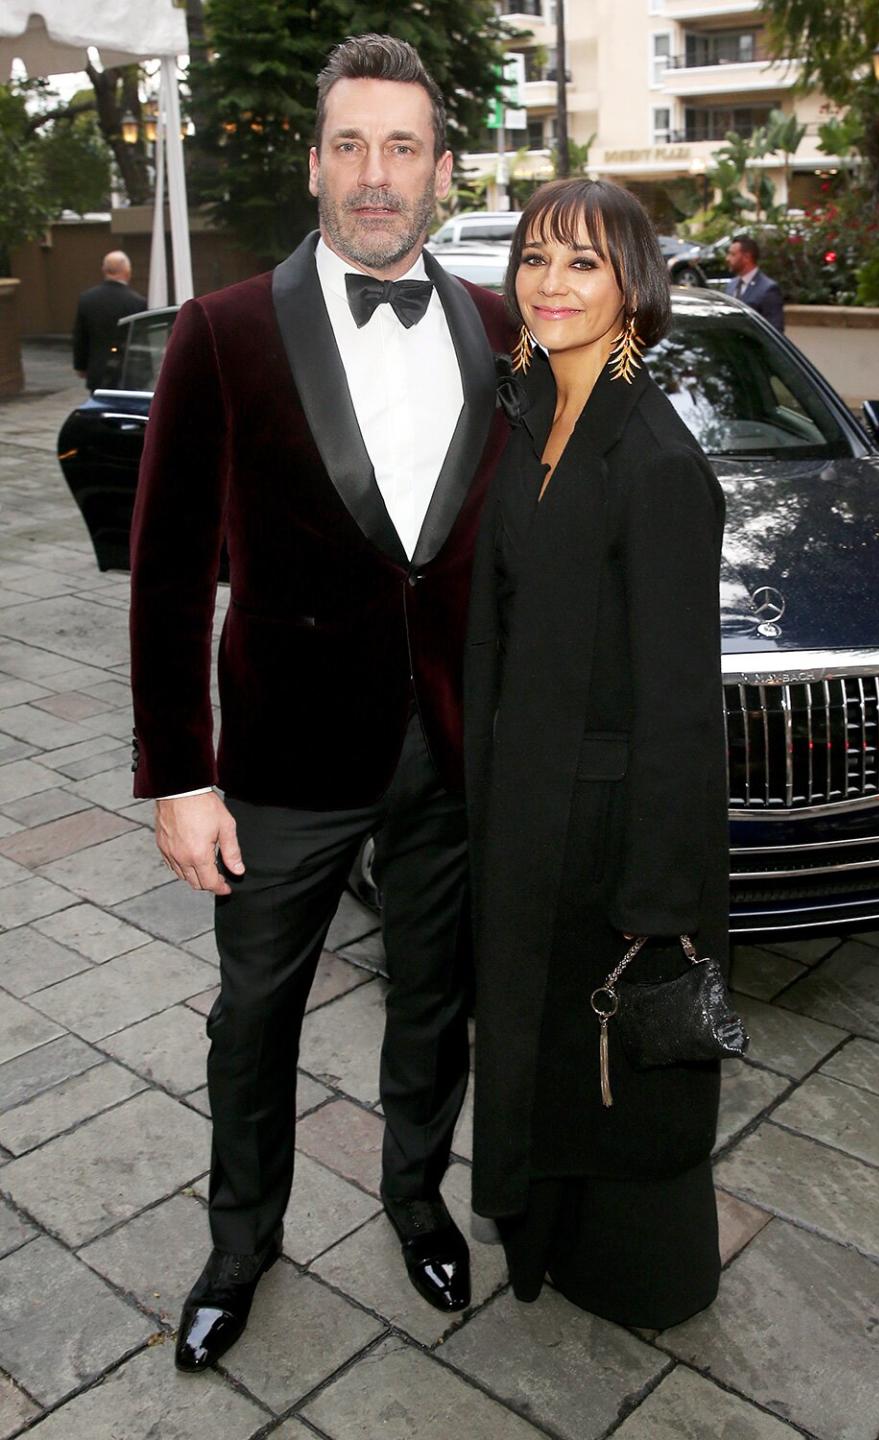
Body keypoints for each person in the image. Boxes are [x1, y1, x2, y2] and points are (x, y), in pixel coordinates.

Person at [129, 33, 512, 1373]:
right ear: (313, 163)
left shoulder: (504, 323)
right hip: (284, 759)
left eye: (403, 146)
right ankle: (242, 1245)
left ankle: (417, 1198)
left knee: (434, 1003)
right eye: (350, 144)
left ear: (443, 169)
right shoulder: (220, 331)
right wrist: (181, 776)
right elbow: (171, 575)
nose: (375, 173)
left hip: (455, 746)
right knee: (254, 1020)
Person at [464, 178, 729, 1328]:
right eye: (535, 258)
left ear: (634, 285)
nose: (552, 283)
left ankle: (635, 1272)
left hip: (612, 827)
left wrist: (660, 894)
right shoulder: (528, 413)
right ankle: (548, 1243)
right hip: (527, 804)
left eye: (582, 262)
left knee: (607, 1068)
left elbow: (681, 705)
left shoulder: (661, 462)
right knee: (537, 1045)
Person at [72, 251, 146, 389]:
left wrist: (80, 366)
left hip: (98, 371)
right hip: (127, 373)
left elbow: (80, 336)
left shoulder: (87, 299)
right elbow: (141, 340)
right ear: (127, 271)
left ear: (104, 270)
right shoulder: (137, 302)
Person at [725, 233, 784, 331]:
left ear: (747, 257)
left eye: (733, 254)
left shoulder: (768, 289)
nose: (727, 258)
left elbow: (775, 330)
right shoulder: (732, 285)